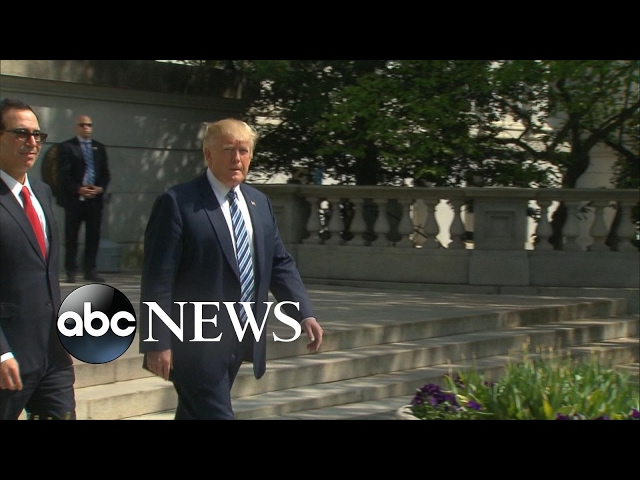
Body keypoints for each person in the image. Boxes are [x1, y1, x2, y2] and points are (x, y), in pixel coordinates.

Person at [139, 118, 324, 420]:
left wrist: (304, 313)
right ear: (208, 154)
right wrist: (157, 341)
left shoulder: (259, 203)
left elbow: (278, 262)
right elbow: (158, 278)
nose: (237, 158)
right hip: (194, 340)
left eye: (244, 150)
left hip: (242, 334)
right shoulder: (177, 203)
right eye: (228, 150)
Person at [0, 98, 76, 420]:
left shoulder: (42, 192)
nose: (32, 142)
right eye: (21, 133)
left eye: (37, 135)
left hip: (53, 353)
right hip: (9, 355)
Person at [57, 115, 110, 283]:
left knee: (93, 236)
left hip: (94, 199)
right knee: (72, 236)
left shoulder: (99, 147)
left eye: (89, 125)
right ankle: (71, 270)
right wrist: (78, 188)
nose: (86, 128)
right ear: (76, 127)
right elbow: (63, 174)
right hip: (75, 200)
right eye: (82, 125)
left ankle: (90, 270)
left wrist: (100, 188)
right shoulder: (67, 147)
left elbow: (105, 173)